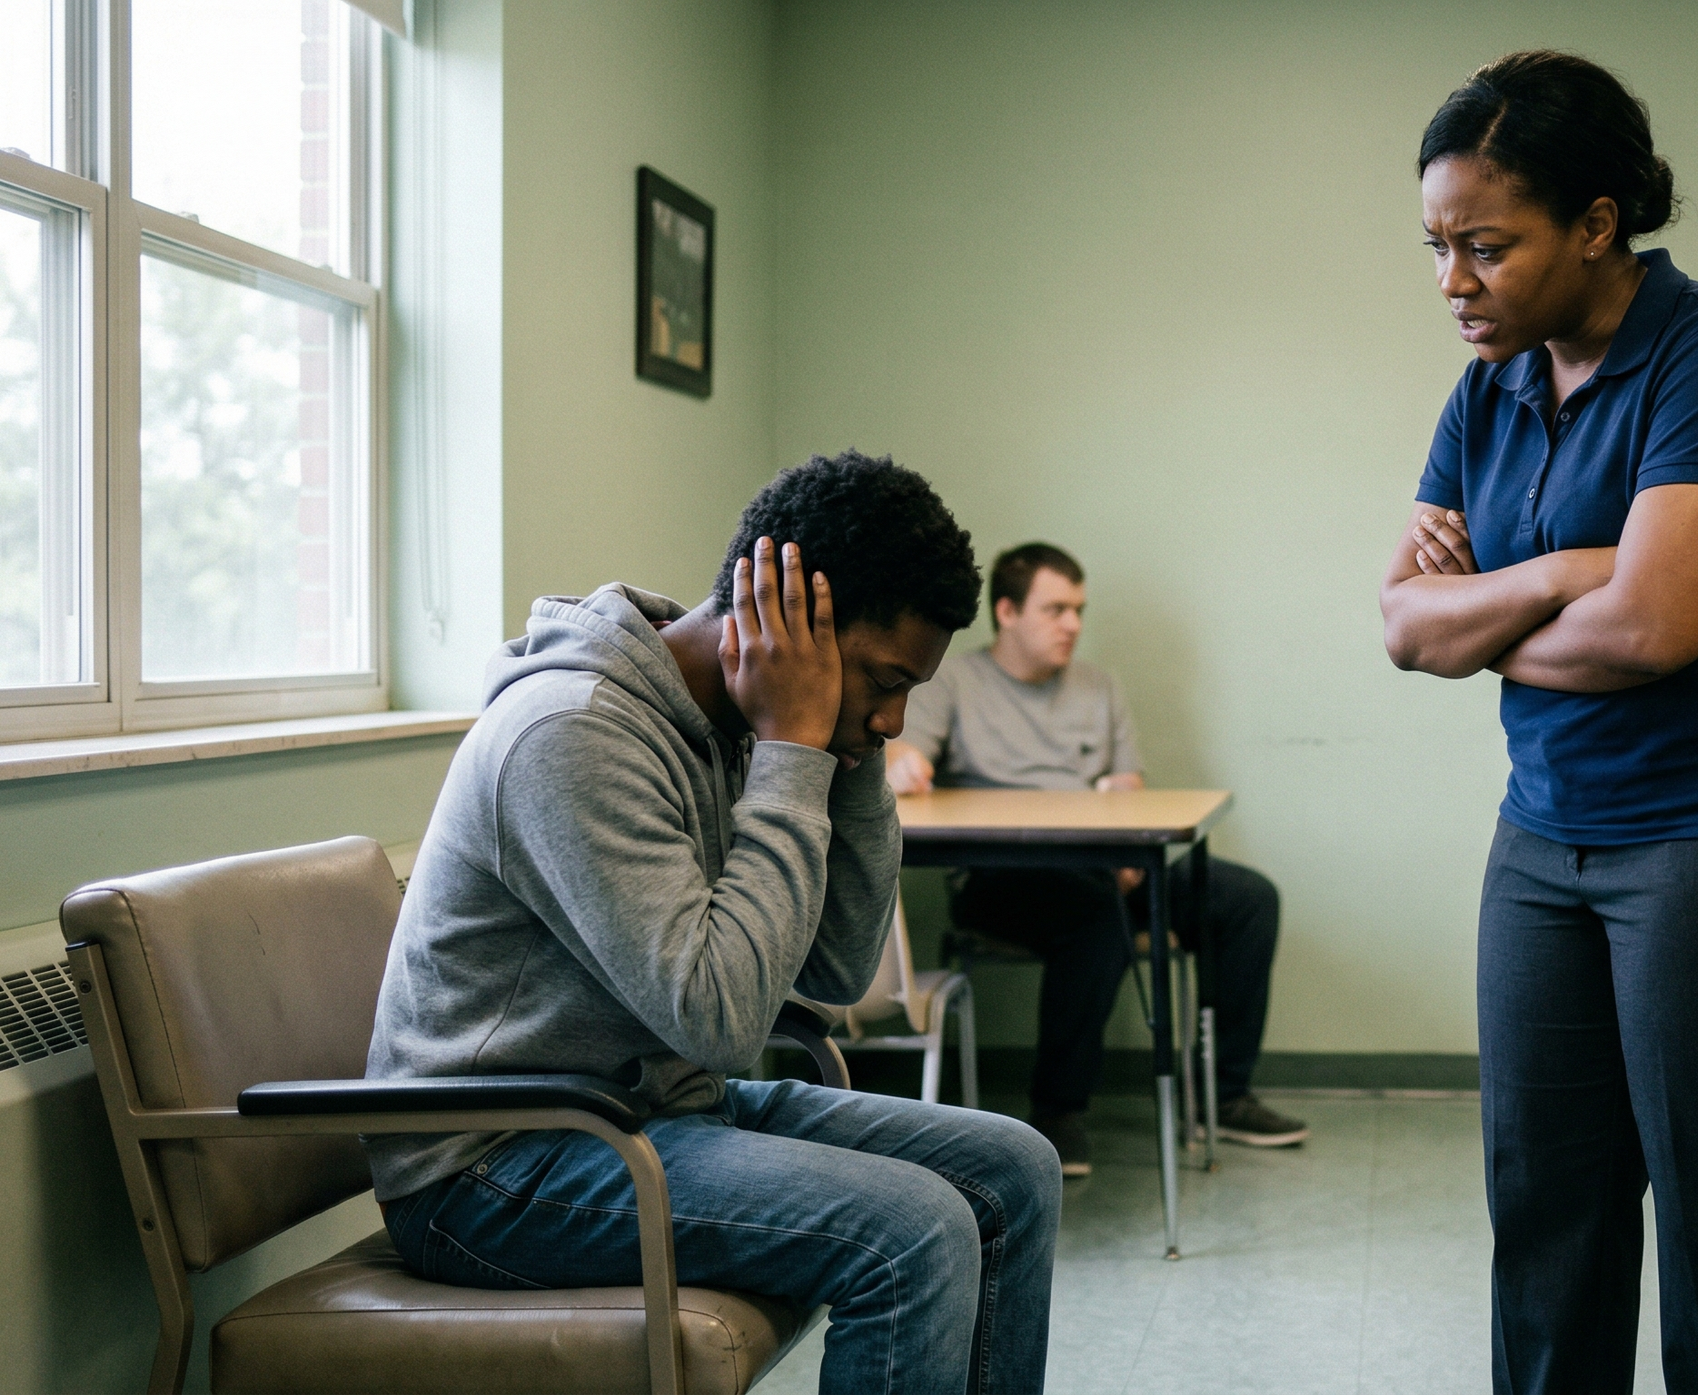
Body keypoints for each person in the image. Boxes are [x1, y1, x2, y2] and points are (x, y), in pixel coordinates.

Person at [1378, 52, 1698, 1395]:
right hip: (1545, 834)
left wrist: (1493, 606)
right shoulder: (1489, 387)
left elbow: (1657, 628)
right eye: (1437, 248)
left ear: (1597, 223)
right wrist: (1565, 573)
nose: (1454, 281)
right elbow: (1405, 627)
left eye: (1487, 246)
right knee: (1546, 1210)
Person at [366, 453, 1062, 1395]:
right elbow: (723, 1021)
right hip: (495, 1163)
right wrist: (795, 747)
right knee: (914, 1231)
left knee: (1016, 1170)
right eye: (885, 680)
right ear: (789, 623)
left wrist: (840, 758)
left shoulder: (733, 725)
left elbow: (838, 968)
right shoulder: (569, 731)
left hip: (650, 1113)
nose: (897, 719)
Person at [888, 542, 1308, 1177]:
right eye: (1055, 609)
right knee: (1094, 916)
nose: (1073, 625)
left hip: (1103, 866)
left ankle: (1223, 1099)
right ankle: (1057, 1112)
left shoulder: (1097, 686)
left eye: (1078, 610)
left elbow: (1126, 782)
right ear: (1007, 611)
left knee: (1247, 899)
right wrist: (904, 763)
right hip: (1005, 878)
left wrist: (1126, 833)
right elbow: (904, 757)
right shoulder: (954, 681)